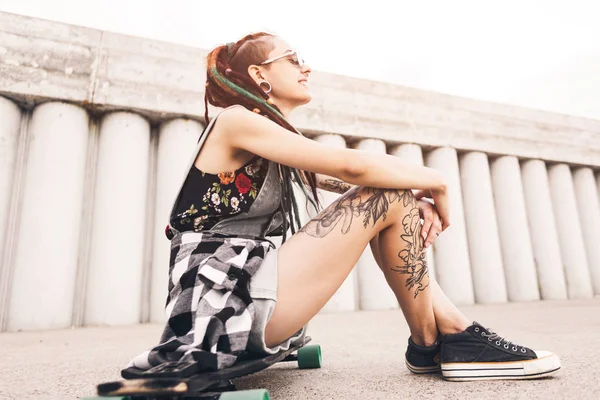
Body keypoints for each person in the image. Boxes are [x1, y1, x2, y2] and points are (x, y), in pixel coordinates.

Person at [129, 32, 561, 382]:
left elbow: (351, 177)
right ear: (260, 74)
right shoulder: (237, 120)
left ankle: (443, 338)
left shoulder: (270, 141)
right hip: (224, 309)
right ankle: (440, 339)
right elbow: (353, 167)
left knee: (392, 196)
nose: (306, 67)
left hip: (244, 298)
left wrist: (414, 195)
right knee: (386, 196)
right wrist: (437, 181)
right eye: (293, 58)